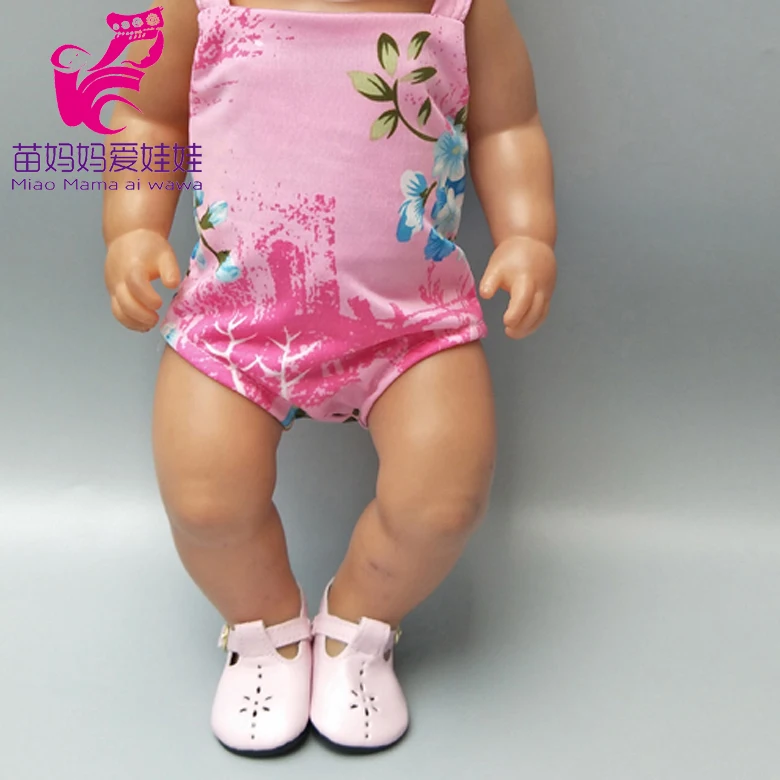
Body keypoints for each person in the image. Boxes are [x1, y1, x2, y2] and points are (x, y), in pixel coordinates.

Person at [102, 0, 557, 757]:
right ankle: (264, 628)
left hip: (411, 322)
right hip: (237, 319)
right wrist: (132, 229)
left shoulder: (461, 9)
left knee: (444, 500)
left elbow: (506, 126)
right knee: (205, 499)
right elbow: (149, 118)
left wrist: (528, 234)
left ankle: (359, 621)